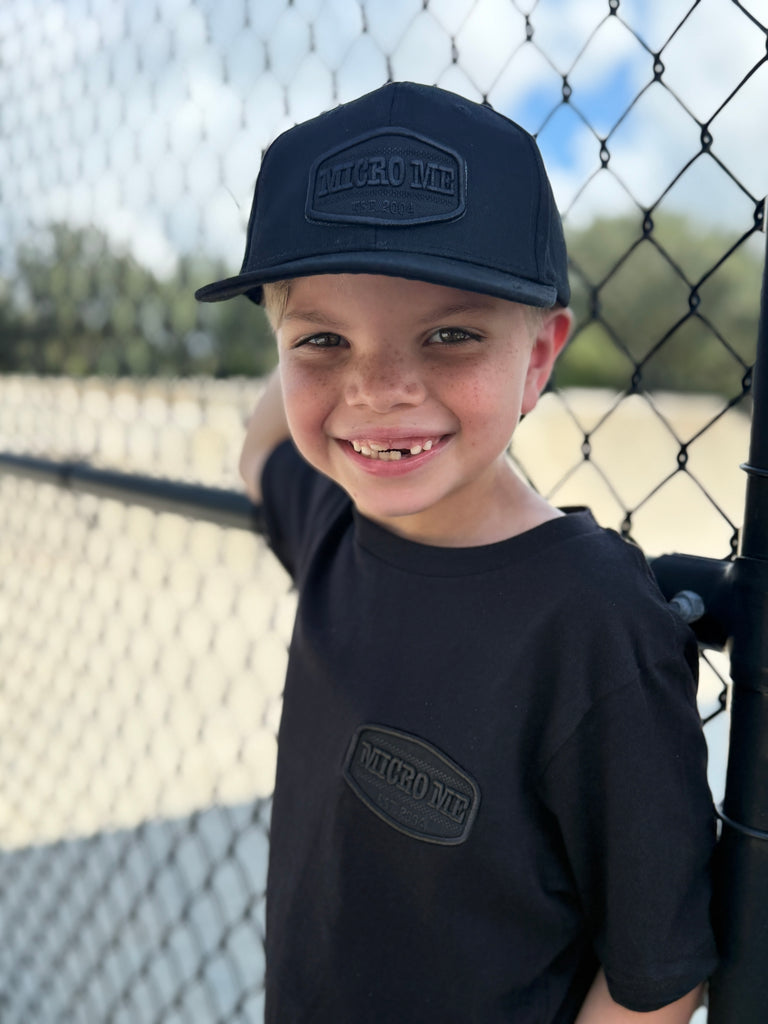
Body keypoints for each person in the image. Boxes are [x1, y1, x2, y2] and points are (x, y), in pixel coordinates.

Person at [196, 82, 718, 1023]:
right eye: (324, 340)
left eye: (449, 335)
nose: (378, 387)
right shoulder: (335, 526)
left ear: (539, 356)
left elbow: (657, 981)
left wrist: (314, 335)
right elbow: (261, 450)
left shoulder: (594, 623)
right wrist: (294, 345)